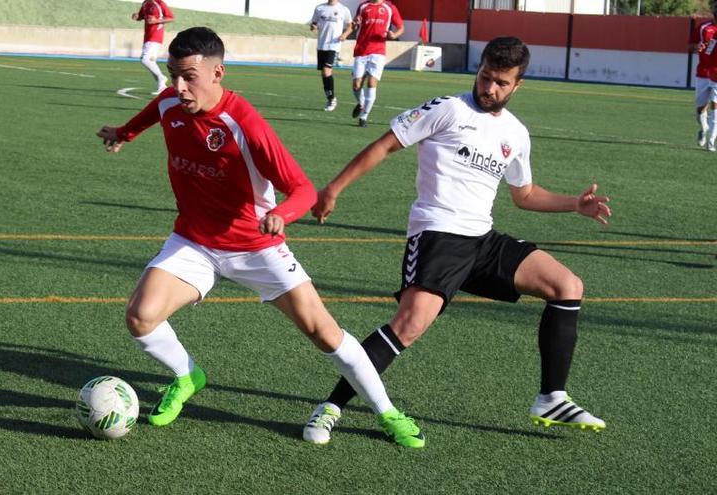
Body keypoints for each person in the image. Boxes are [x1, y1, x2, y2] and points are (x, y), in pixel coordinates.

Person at [96, 27, 425, 448]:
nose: (178, 87)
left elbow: (303, 189)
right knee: (141, 317)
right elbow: (150, 115)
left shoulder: (244, 124)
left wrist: (281, 215)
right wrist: (122, 134)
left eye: (189, 77)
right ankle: (187, 376)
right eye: (173, 75)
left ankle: (388, 413)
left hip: (256, 247)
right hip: (194, 242)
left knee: (324, 333)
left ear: (218, 73)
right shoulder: (170, 103)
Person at [302, 37, 611, 445]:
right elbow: (386, 145)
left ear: (518, 85)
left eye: (501, 83)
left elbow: (525, 195)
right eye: (485, 77)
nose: (489, 88)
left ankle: (551, 397)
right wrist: (333, 189)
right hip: (438, 234)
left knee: (567, 286)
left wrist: (575, 204)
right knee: (408, 327)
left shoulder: (516, 134)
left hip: (481, 239)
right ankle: (330, 407)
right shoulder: (448, 108)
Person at [349, 0, 403, 127]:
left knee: (372, 82)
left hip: (378, 52)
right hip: (361, 50)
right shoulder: (363, 6)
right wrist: (355, 23)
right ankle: (361, 104)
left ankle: (364, 117)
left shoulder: (389, 8)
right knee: (356, 85)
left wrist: (394, 35)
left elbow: (401, 26)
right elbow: (356, 22)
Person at [309, 0, 352, 112]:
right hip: (321, 45)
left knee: (326, 71)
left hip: (334, 45)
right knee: (324, 74)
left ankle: (332, 100)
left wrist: (345, 35)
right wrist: (313, 26)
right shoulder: (319, 8)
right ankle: (330, 97)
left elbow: (350, 26)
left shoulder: (344, 9)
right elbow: (313, 23)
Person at [131, 0, 173, 95]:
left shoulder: (160, 3)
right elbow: (141, 16)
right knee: (151, 61)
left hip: (155, 36)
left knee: (145, 59)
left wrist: (156, 20)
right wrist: (136, 16)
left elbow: (171, 18)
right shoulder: (145, 3)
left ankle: (161, 78)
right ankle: (161, 87)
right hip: (147, 36)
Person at [689, 6, 717, 151]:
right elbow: (691, 46)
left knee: (715, 107)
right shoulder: (704, 28)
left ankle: (711, 141)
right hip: (703, 73)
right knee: (700, 110)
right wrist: (697, 47)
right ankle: (704, 129)